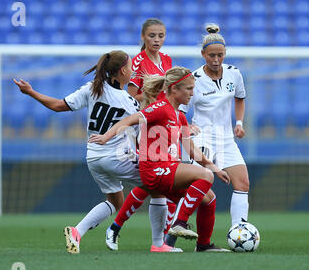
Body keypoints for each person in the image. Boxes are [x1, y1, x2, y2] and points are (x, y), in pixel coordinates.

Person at [13, 50, 182, 254]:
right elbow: (139, 136)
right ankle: (158, 244)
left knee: (115, 201)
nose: (132, 71)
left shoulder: (93, 88)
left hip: (93, 157)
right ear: (122, 71)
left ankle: (77, 232)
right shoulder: (129, 103)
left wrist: (31, 92)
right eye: (130, 68)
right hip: (117, 157)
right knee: (158, 189)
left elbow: (58, 106)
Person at [90, 66, 232, 252]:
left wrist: (215, 167)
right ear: (174, 89)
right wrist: (106, 137)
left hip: (167, 171)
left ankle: (203, 244)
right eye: (188, 88)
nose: (192, 93)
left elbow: (191, 150)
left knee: (209, 198)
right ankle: (179, 224)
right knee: (205, 176)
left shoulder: (179, 116)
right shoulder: (161, 108)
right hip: (154, 170)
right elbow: (129, 120)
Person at [168, 23, 249, 246]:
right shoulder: (194, 79)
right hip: (202, 138)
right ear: (203, 54)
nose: (216, 59)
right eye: (211, 55)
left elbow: (240, 98)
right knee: (203, 189)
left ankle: (239, 233)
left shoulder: (234, 74)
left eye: (220, 55)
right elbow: (179, 110)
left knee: (242, 183)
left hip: (226, 139)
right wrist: (188, 128)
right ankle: (173, 232)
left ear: (225, 54)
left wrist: (239, 122)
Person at [105, 18, 178, 250]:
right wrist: (154, 99)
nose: (157, 40)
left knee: (157, 182)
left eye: (161, 36)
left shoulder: (167, 60)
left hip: (165, 124)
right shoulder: (137, 62)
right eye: (152, 36)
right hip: (147, 125)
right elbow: (132, 97)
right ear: (143, 37)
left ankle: (157, 237)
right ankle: (161, 238)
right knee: (156, 179)